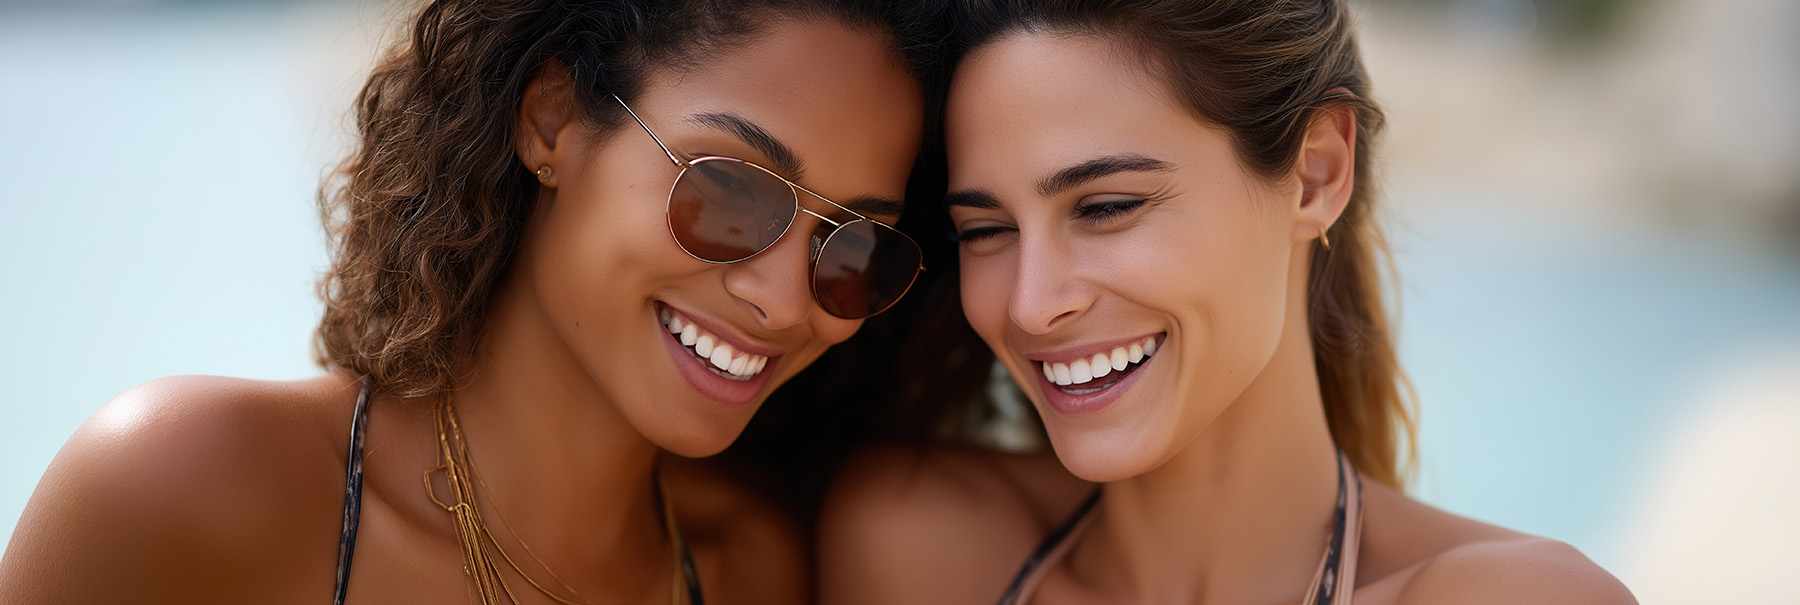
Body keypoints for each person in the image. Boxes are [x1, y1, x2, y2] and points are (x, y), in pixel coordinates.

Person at [0, 0, 941, 602]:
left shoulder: (748, 570)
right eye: (730, 191)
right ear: (552, 121)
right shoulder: (194, 482)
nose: (783, 300)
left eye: (853, 244)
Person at [819, 0, 1638, 603]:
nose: (1032, 305)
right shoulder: (917, 552)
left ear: (1316, 174)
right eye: (986, 231)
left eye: (1106, 207)